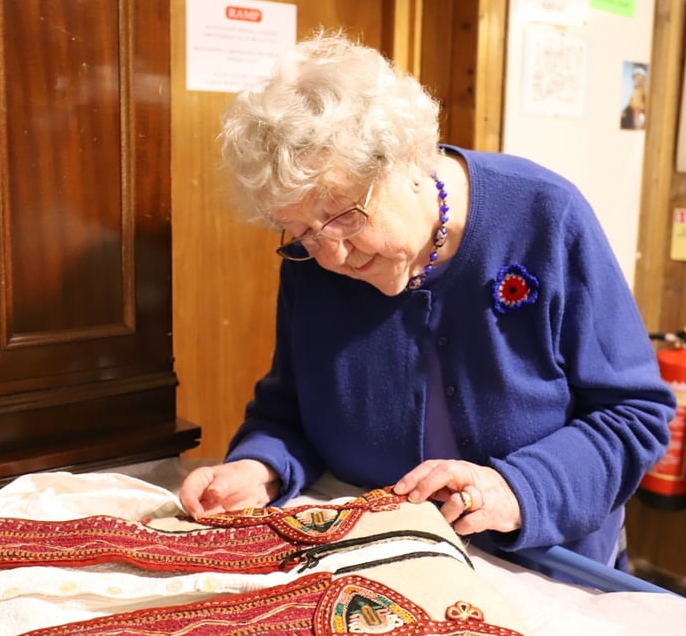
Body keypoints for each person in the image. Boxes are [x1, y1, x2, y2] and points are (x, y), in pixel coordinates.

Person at [179, 30, 675, 578]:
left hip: (541, 564)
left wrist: (514, 489)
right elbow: (289, 410)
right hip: (375, 562)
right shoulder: (314, 258)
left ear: (410, 160)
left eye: (345, 215)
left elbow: (634, 416)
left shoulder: (545, 218)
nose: (332, 254)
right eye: (301, 231)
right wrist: (258, 467)